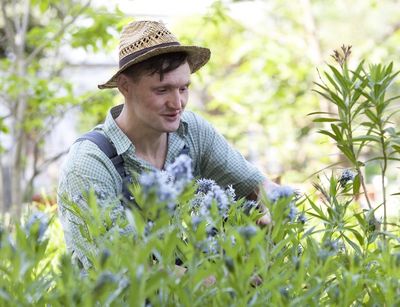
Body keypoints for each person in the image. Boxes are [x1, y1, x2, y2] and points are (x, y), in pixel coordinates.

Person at [57, 20, 275, 269]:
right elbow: (123, 268)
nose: (177, 103)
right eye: (162, 90)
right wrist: (225, 281)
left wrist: (274, 210)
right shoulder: (89, 163)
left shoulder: (192, 131)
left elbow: (260, 186)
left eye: (183, 88)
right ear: (125, 87)